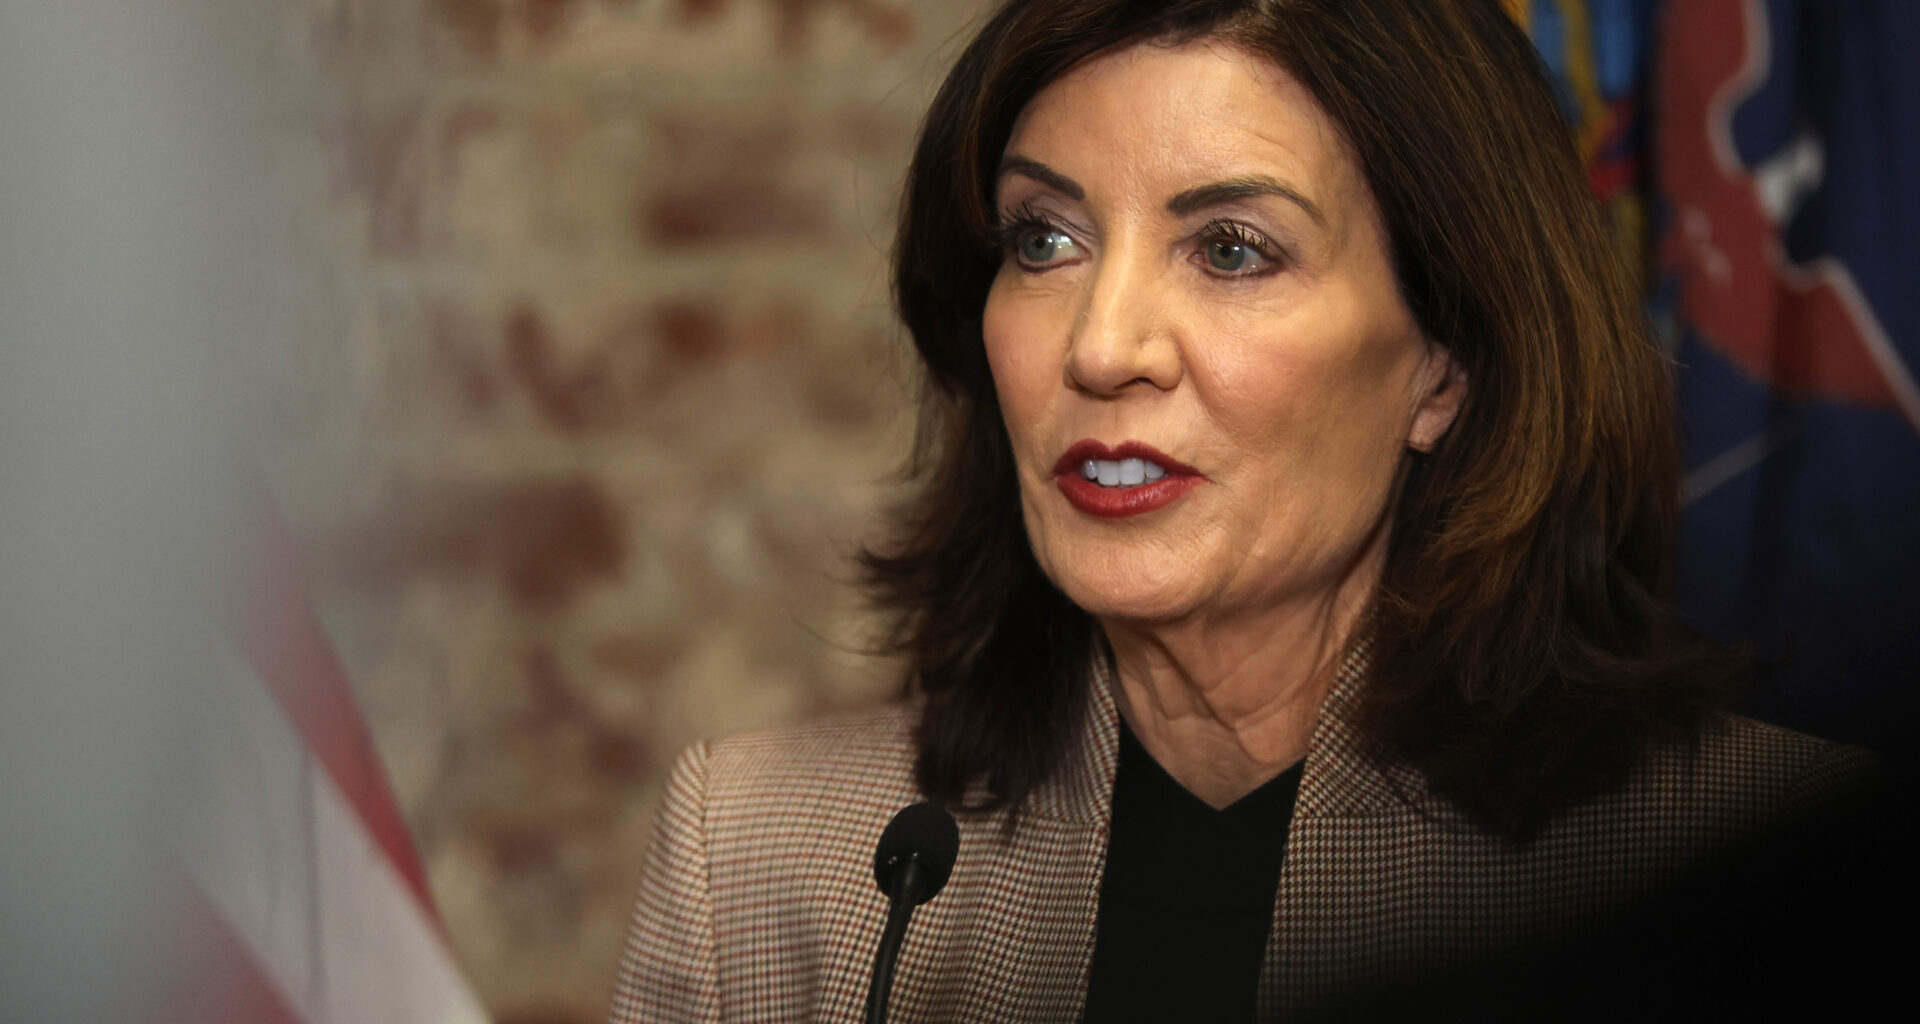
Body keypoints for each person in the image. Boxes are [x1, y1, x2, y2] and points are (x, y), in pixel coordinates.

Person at [610, 1, 1891, 1021]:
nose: (1102, 347)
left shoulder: (1757, 885)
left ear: (1444, 365)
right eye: (1044, 240)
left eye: (1231, 250)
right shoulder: (765, 866)